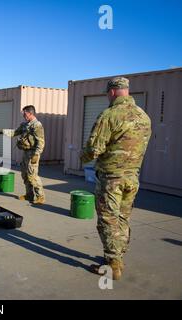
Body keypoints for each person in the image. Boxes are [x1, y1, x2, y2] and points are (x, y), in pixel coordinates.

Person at [80, 77, 152, 280]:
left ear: (112, 92)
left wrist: (82, 157)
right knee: (122, 218)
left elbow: (94, 148)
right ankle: (118, 256)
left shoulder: (110, 115)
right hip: (132, 177)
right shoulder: (143, 116)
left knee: (108, 220)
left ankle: (112, 265)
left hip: (112, 179)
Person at [13, 105, 45, 204]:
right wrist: (1, 132)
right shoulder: (25, 124)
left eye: (25, 113)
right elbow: (15, 132)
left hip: (33, 154)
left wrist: (36, 154)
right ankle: (29, 195)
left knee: (33, 176)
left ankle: (40, 197)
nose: (23, 115)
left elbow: (41, 141)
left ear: (30, 113)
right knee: (25, 175)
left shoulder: (37, 125)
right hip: (26, 153)